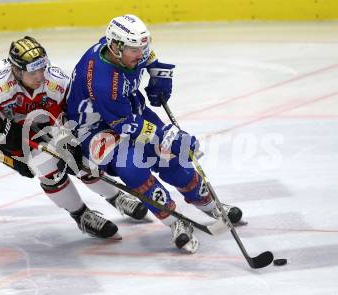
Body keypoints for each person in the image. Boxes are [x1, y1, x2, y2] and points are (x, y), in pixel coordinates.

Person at [66, 15, 243, 253]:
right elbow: (126, 126)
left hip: (127, 110)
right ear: (116, 47)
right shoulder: (103, 82)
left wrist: (158, 77)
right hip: (97, 130)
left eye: (142, 46)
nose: (141, 53)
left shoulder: (124, 51)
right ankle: (174, 220)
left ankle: (211, 205)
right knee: (133, 168)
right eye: (134, 49)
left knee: (172, 159)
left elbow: (148, 57)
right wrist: (165, 135)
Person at [0, 36, 148, 240]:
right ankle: (81, 214)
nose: (40, 77)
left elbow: (69, 113)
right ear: (16, 71)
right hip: (2, 128)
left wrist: (66, 138)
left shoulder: (56, 81)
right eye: (32, 72)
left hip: (40, 121)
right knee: (44, 165)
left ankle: (116, 197)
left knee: (79, 158)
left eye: (42, 69)